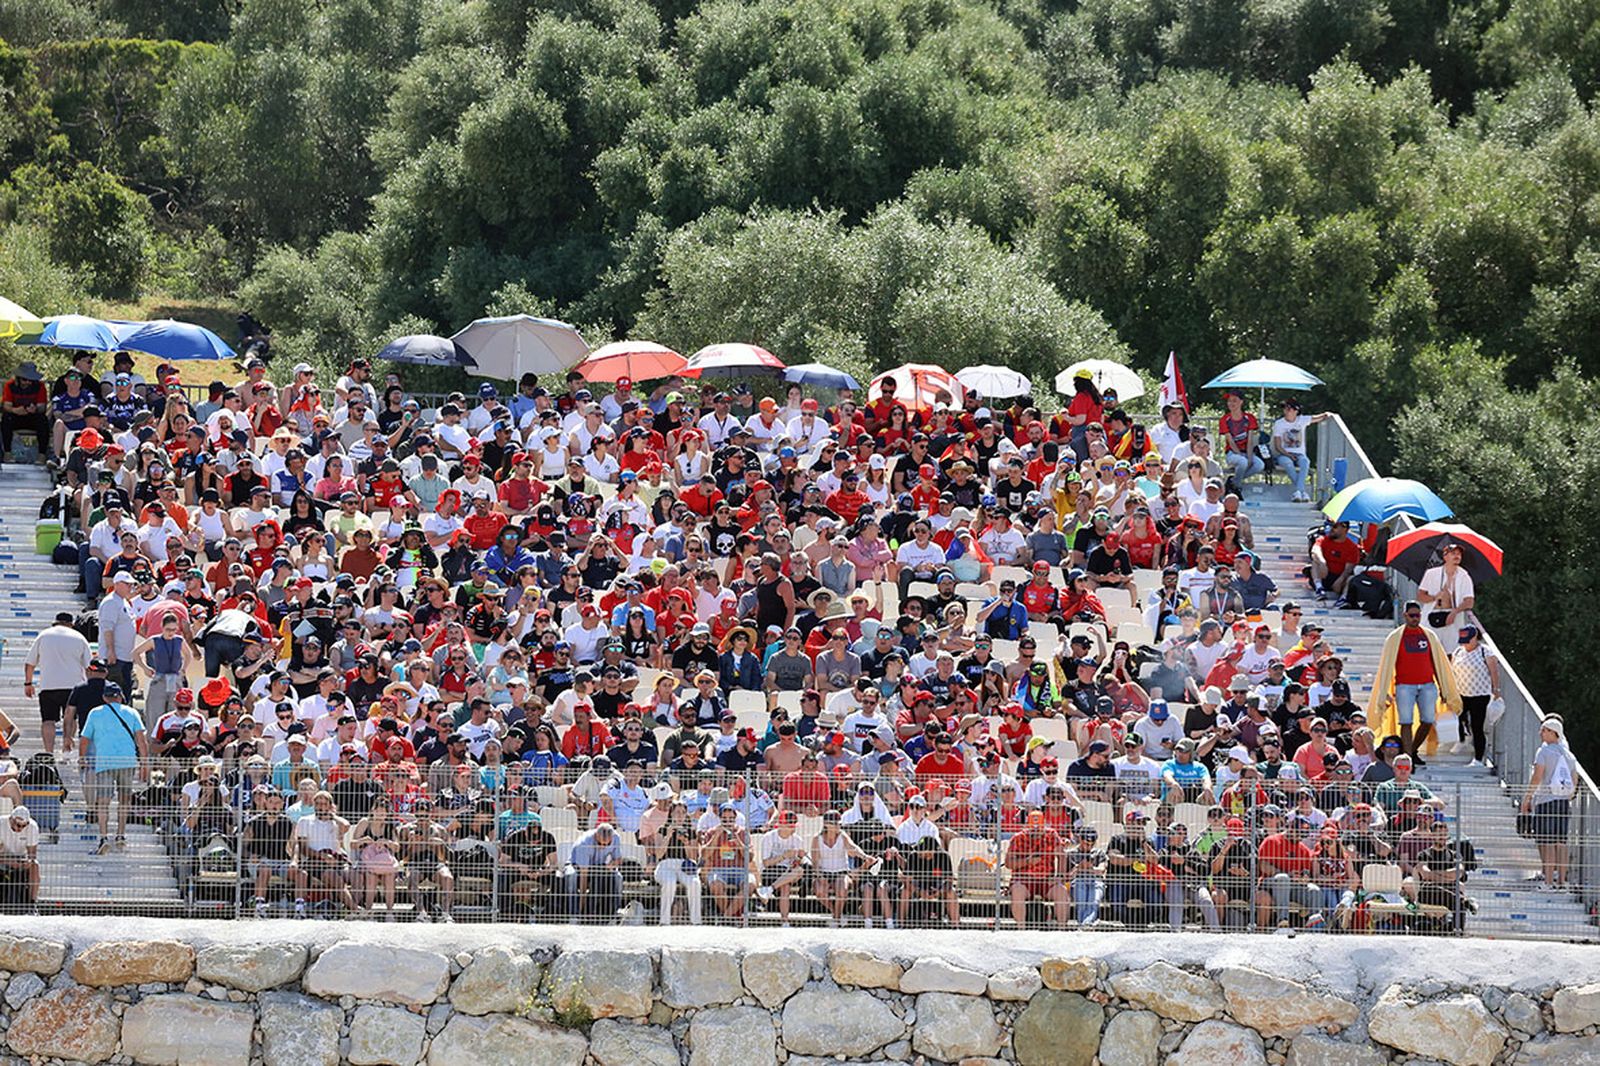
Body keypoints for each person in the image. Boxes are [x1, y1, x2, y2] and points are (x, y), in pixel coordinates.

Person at [1368, 600, 1461, 766]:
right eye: (1411, 615)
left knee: (1427, 720)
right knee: (1406, 722)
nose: (1415, 618)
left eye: (1418, 615)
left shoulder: (1428, 635)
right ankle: (1408, 758)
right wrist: (1385, 692)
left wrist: (1444, 689)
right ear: (1405, 616)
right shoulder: (1395, 637)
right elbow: (1387, 667)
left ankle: (1412, 751)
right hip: (1404, 686)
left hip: (1427, 685)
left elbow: (1438, 663)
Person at [78, 681, 148, 855]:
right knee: (124, 800)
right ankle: (121, 835)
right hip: (127, 761)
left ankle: (103, 837)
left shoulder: (95, 713)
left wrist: (82, 758)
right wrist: (145, 763)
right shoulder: (132, 712)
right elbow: (141, 740)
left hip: (105, 762)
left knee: (103, 801)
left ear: (104, 697)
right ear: (121, 697)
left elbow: (85, 738)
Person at [23, 612, 92, 755]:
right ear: (71, 624)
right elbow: (89, 666)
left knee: (48, 720)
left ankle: (49, 752)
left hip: (48, 685)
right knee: (71, 718)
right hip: (73, 686)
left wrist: (28, 683)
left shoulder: (44, 635)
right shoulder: (79, 638)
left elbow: (30, 663)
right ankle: (66, 750)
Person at [1521, 717, 1577, 891]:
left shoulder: (1543, 752)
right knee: (1561, 842)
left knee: (1547, 841)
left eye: (1544, 730)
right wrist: (1568, 796)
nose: (1541, 733)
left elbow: (1537, 776)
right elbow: (1574, 779)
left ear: (1554, 733)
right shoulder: (1568, 754)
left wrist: (1527, 798)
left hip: (1546, 800)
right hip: (1562, 801)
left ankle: (1548, 882)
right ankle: (1562, 882)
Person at [1450, 626, 1500, 769]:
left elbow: (1494, 672)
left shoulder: (1485, 651)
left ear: (1475, 637)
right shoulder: (1458, 651)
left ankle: (1478, 759)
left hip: (1480, 694)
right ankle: (1463, 739)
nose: (1465, 644)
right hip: (1461, 693)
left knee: (1477, 726)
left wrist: (1496, 690)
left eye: (1468, 641)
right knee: (1458, 719)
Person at [1268, 398, 1326, 502]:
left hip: (1299, 454)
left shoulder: (1302, 420)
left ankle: (1299, 491)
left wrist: (1328, 414)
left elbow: (1317, 418)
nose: (1286, 411)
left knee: (1305, 462)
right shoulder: (1279, 423)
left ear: (1296, 411)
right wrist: (1288, 455)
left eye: (1289, 409)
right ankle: (1301, 491)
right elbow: (1278, 445)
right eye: (1285, 408)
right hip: (1283, 454)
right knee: (1287, 463)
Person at [566, 821, 624, 919]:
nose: (603, 847)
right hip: (577, 866)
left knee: (618, 877)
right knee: (571, 876)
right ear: (595, 836)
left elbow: (618, 859)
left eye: (607, 844)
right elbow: (584, 875)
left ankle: (615, 910)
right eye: (600, 843)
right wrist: (582, 904)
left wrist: (612, 865)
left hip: (599, 866)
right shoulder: (584, 843)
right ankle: (575, 912)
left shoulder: (615, 838)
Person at [0, 806, 40, 912]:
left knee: (35, 865)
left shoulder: (32, 827)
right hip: (3, 856)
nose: (20, 829)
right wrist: (8, 861)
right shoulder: (1, 824)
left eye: (24, 826)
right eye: (18, 825)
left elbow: (32, 854)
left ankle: (33, 903)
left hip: (21, 857)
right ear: (11, 819)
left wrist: (28, 862)